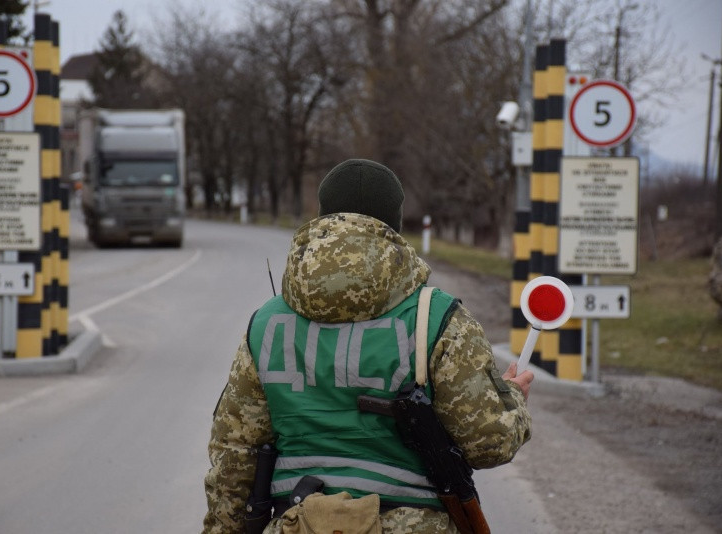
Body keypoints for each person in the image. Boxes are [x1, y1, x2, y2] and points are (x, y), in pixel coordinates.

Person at [203, 158, 534, 533]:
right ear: (395, 223)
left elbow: (233, 457)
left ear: (322, 216)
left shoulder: (266, 323)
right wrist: (514, 402)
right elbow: (488, 443)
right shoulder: (438, 317)